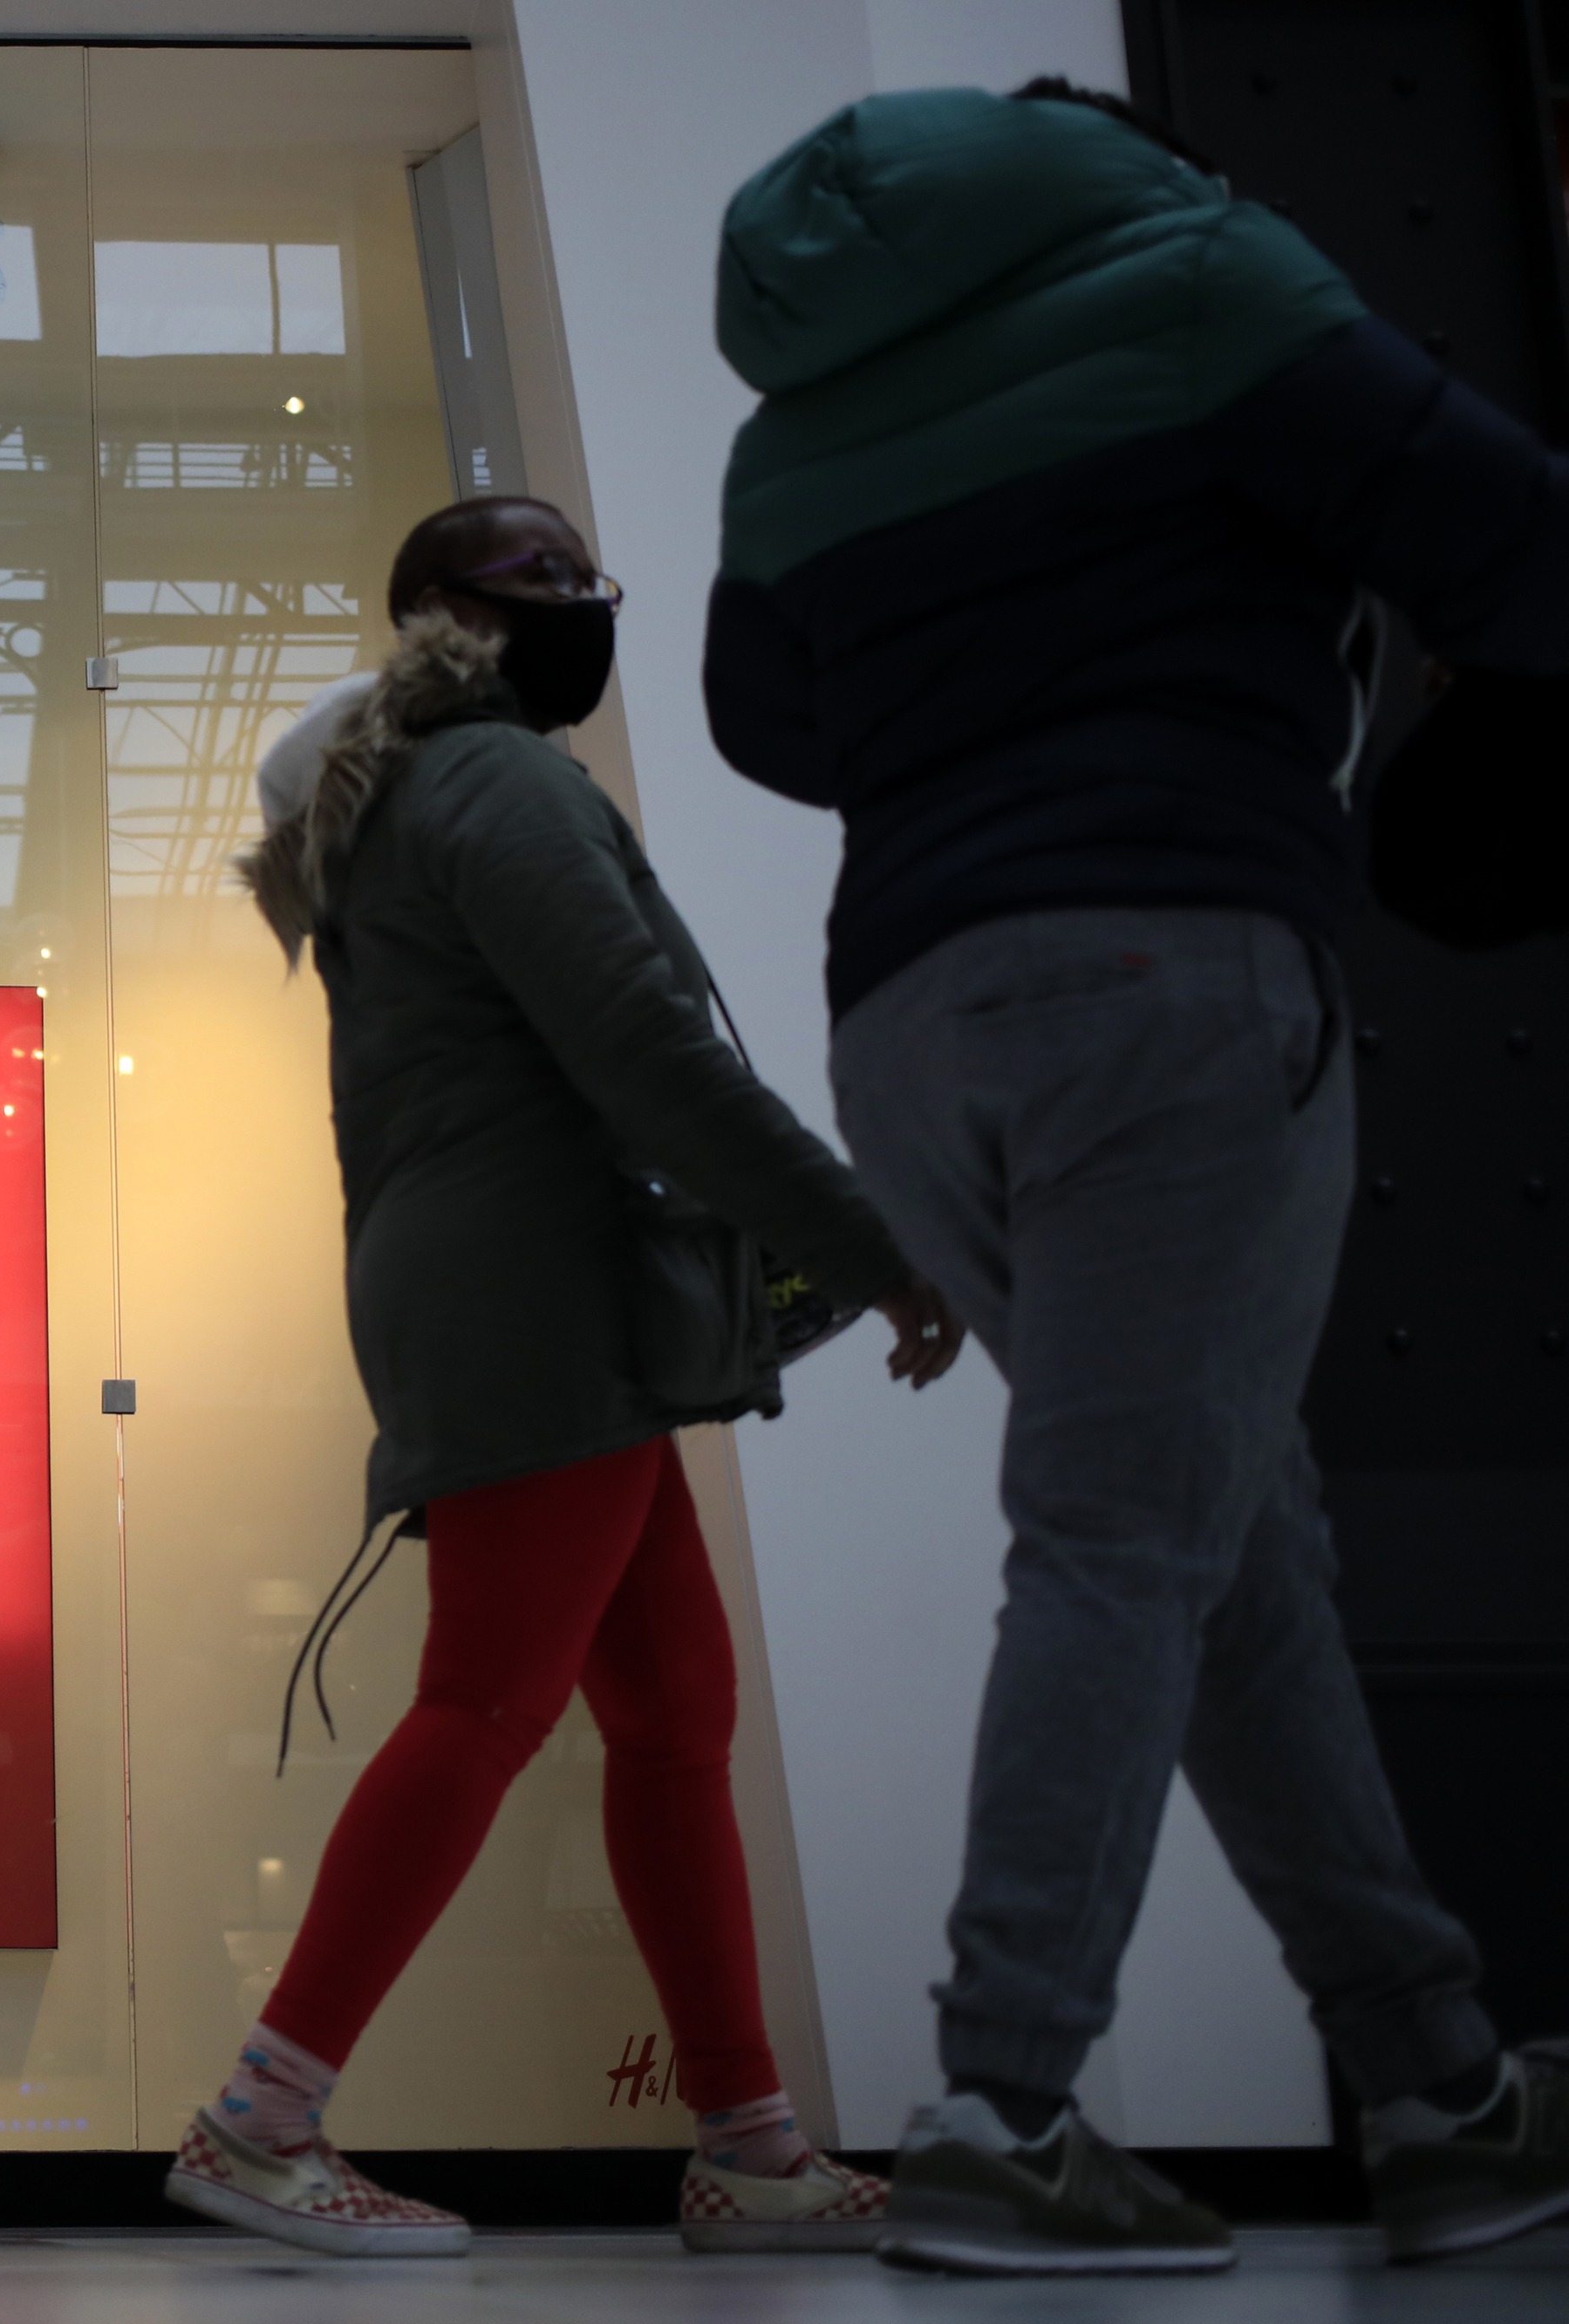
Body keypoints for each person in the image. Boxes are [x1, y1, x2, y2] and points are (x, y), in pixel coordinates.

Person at [708, 81, 1569, 2274]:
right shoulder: (1197, 271)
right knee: (1120, 1537)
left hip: (910, 1027)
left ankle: (1440, 2088)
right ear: (1127, 161)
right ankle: (1002, 2106)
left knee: (1216, 1537)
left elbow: (768, 723)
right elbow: (1505, 533)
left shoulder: (790, 421)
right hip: (1169, 965)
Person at [164, 495, 965, 2259]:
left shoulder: (392, 804)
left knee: (671, 1712)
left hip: (519, 1285)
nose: (580, 604)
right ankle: (257, 2119)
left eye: (582, 575)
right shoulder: (495, 784)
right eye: (542, 582)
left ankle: (747, 2146)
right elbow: (641, 1053)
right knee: (487, 1702)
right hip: (537, 1292)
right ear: (443, 614)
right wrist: (868, 1242)